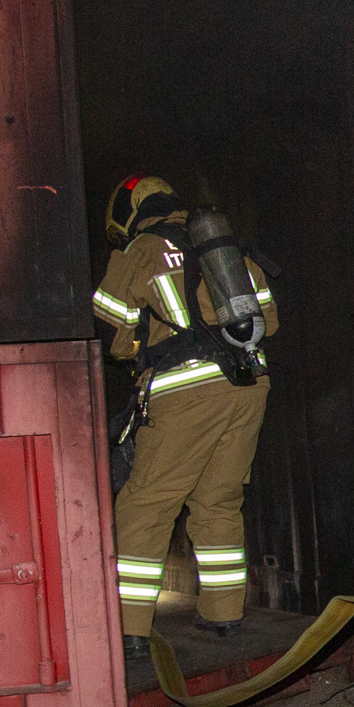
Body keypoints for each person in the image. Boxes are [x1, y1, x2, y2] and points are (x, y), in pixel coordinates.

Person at [92, 176, 277, 664]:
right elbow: (269, 322)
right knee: (218, 501)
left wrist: (141, 349)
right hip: (248, 385)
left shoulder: (141, 250)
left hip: (184, 390)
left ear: (129, 213)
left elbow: (112, 329)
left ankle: (130, 628)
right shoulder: (222, 244)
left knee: (145, 505)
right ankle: (223, 614)